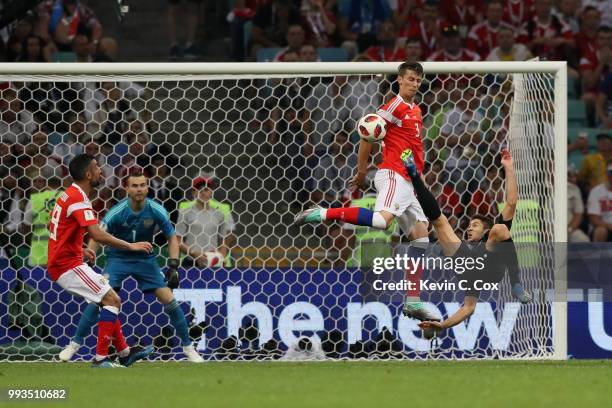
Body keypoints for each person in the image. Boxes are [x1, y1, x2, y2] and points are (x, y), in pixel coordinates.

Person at [294, 61, 435, 321]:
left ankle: (413, 301)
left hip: (408, 181)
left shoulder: (416, 110)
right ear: (400, 80)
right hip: (393, 174)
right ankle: (324, 213)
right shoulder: (393, 106)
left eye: (418, 80)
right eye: (411, 79)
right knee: (382, 221)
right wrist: (360, 173)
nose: (415, 84)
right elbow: (367, 133)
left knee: (421, 236)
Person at [59, 167, 204, 363]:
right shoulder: (117, 212)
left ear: (147, 187)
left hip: (145, 259)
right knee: (99, 298)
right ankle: (74, 345)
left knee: (169, 299)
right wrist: (90, 259)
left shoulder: (156, 210)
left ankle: (188, 348)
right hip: (118, 258)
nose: (140, 189)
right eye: (135, 186)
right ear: (126, 188)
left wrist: (173, 266)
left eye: (143, 185)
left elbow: (172, 237)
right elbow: (97, 236)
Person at [402, 150, 532, 335]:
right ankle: (414, 175)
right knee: (440, 222)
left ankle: (516, 284)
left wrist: (509, 168)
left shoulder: (492, 234)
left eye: (475, 225)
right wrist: (442, 325)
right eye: (469, 225)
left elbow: (511, 203)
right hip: (469, 264)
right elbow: (468, 307)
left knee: (500, 229)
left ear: (484, 230)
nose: (469, 228)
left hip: (492, 268)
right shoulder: (471, 266)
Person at [47, 154, 153, 368]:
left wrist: (81, 248)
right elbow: (98, 234)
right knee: (112, 300)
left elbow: (61, 231)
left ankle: (125, 353)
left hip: (67, 260)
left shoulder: (70, 195)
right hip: (67, 265)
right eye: (96, 167)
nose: (100, 171)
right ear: (88, 174)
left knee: (106, 300)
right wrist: (131, 246)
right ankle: (101, 359)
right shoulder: (78, 199)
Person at [177, 176, 234, 268]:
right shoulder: (185, 212)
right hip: (190, 261)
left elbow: (225, 238)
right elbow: (178, 240)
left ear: (211, 192)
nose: (203, 193)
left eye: (207, 189)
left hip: (212, 262)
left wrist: (221, 256)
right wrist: (195, 254)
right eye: (199, 190)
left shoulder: (219, 213)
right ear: (194, 193)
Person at [587, 162, 612, 242]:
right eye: (611, 172)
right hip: (604, 228)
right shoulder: (596, 191)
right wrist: (609, 226)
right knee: (601, 230)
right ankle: (598, 254)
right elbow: (594, 219)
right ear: (607, 174)